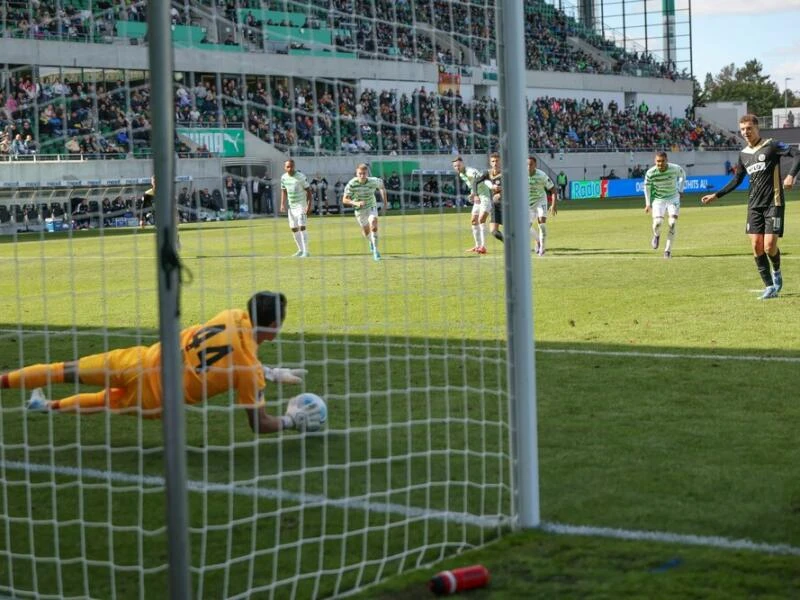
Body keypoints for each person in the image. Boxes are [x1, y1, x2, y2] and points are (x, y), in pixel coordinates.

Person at [2, 292, 322, 434]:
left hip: (141, 359)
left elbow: (227, 351)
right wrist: (291, 421)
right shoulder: (249, 371)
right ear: (273, 326)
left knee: (63, 370)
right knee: (103, 402)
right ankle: (46, 407)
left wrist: (269, 371)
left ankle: (14, 387)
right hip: (155, 399)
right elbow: (259, 424)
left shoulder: (231, 315)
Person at [701, 114, 800, 299]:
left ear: (757, 128)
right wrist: (716, 195)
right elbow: (737, 180)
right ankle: (769, 287)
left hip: (774, 202)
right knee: (756, 246)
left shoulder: (772, 145)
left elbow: (797, 154)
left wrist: (791, 175)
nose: (746, 132)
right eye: (743, 129)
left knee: (770, 246)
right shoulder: (743, 154)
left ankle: (777, 272)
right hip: (754, 206)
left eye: (749, 128)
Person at [644, 151, 686, 259]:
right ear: (655, 161)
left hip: (673, 198)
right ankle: (656, 235)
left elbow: (683, 175)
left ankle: (667, 251)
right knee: (658, 223)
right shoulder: (650, 173)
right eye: (658, 161)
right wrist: (648, 204)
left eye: (662, 161)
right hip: (658, 200)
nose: (660, 164)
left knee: (672, 223)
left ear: (667, 160)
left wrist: (680, 190)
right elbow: (647, 188)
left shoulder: (675, 168)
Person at [342, 163, 388, 261]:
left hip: (371, 206)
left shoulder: (374, 181)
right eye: (360, 174)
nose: (362, 176)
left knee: (374, 226)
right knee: (366, 231)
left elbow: (382, 187)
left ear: (367, 173)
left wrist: (385, 203)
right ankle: (371, 242)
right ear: (356, 173)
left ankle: (376, 251)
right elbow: (344, 200)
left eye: (364, 173)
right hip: (359, 211)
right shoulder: (352, 183)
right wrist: (356, 203)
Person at [451, 156, 492, 254]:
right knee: (474, 221)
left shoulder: (470, 171)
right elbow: (473, 185)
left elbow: (481, 179)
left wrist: (476, 194)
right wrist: (473, 194)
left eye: (459, 165)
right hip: (477, 198)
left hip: (485, 197)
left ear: (463, 164)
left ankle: (483, 247)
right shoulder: (462, 174)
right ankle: (477, 245)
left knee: (481, 220)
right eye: (455, 166)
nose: (457, 167)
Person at [279, 159, 312, 257]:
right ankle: (300, 250)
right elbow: (284, 191)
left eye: (291, 166)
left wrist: (308, 206)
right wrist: (282, 204)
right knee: (294, 229)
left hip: (301, 205)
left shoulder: (301, 177)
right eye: (288, 167)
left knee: (302, 227)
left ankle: (306, 251)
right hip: (291, 207)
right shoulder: (284, 178)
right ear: (285, 168)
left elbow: (309, 192)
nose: (290, 168)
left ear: (294, 166)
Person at [527, 156, 556, 256]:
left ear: (535, 165)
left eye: (531, 164)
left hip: (541, 201)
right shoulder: (520, 175)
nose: (528, 166)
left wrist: (553, 205)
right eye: (526, 164)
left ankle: (542, 248)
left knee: (542, 225)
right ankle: (538, 240)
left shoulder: (542, 175)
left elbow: (552, 189)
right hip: (528, 204)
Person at [474, 153, 504, 242]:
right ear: (490, 163)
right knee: (494, 231)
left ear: (501, 161)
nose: (495, 163)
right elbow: (475, 182)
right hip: (495, 206)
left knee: (520, 229)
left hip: (508, 205)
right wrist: (476, 195)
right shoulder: (488, 173)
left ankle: (538, 241)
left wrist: (502, 189)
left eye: (497, 161)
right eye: (493, 161)